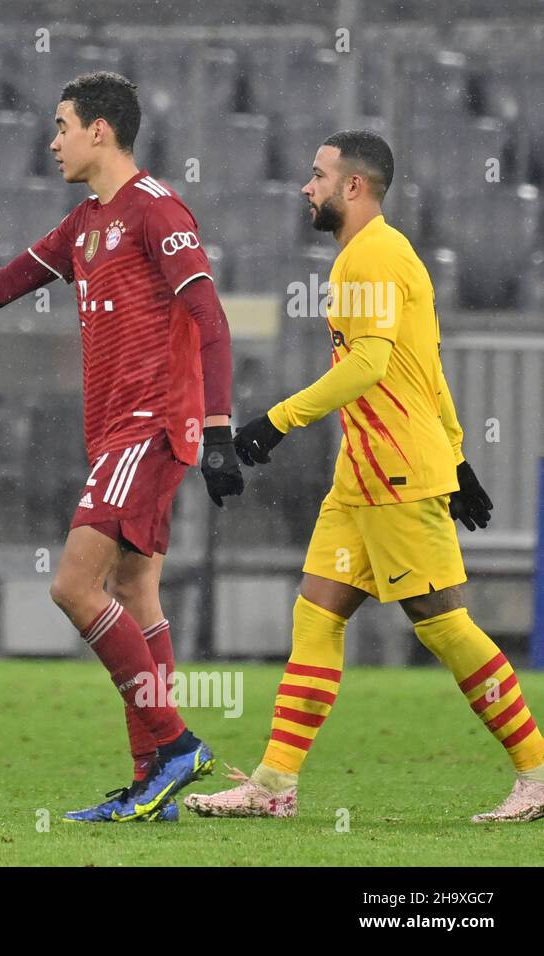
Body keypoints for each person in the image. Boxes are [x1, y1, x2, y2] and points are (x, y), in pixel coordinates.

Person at [0, 71, 242, 821]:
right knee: (138, 592)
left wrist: (217, 428)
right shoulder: (84, 224)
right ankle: (155, 783)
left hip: (149, 427)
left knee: (73, 588)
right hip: (116, 432)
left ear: (100, 131)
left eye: (62, 125)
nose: (52, 141)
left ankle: (174, 746)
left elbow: (210, 318)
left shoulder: (157, 210)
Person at [185, 130, 544, 823]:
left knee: (442, 623)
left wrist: (274, 422)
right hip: (363, 477)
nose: (305, 187)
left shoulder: (371, 256)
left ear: (354, 186)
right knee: (317, 613)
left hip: (399, 474)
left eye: (317, 176)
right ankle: (272, 785)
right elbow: (426, 364)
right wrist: (461, 452)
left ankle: (536, 772)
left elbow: (371, 365)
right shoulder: (382, 253)